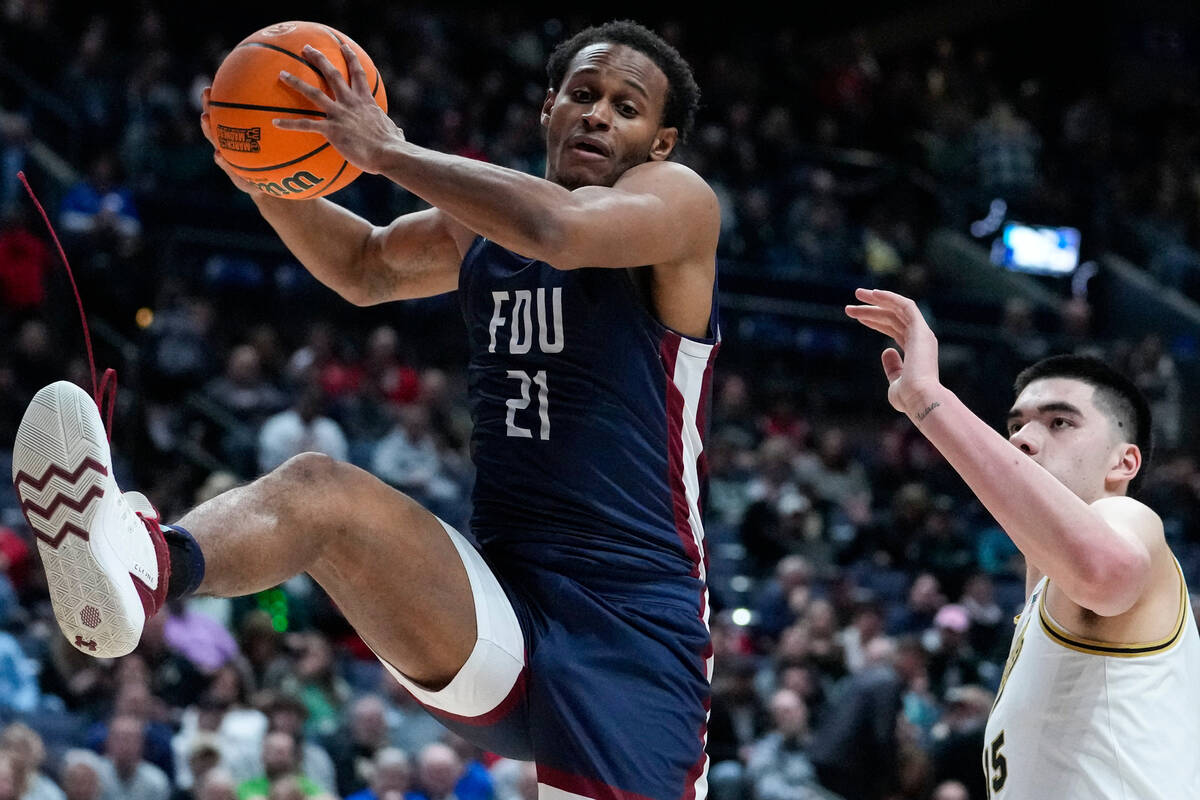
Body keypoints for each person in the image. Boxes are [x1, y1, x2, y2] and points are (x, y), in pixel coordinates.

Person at [13, 19, 717, 800]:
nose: (597, 114)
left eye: (627, 107)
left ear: (660, 144)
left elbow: (555, 229)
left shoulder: (678, 204)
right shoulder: (481, 226)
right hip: (498, 608)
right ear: (548, 106)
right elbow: (363, 265)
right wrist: (260, 170)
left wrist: (387, 151)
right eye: (583, 95)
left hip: (632, 634)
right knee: (321, 492)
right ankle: (141, 564)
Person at [844, 288, 1200, 798]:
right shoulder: (1041, 601)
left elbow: (1107, 567)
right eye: (1015, 425)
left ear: (1124, 462)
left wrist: (928, 400)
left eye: (1059, 422)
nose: (1022, 439)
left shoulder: (1129, 517)